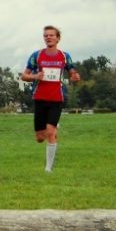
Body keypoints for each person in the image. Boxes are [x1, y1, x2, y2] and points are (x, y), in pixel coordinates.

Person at [20, 25, 81, 172]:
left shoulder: (65, 56)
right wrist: (35, 76)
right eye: (46, 35)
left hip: (57, 98)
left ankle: (48, 168)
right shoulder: (37, 56)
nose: (48, 37)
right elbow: (24, 75)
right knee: (40, 137)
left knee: (50, 132)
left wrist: (75, 77)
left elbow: (73, 73)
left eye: (51, 35)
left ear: (58, 38)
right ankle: (53, 126)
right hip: (40, 97)